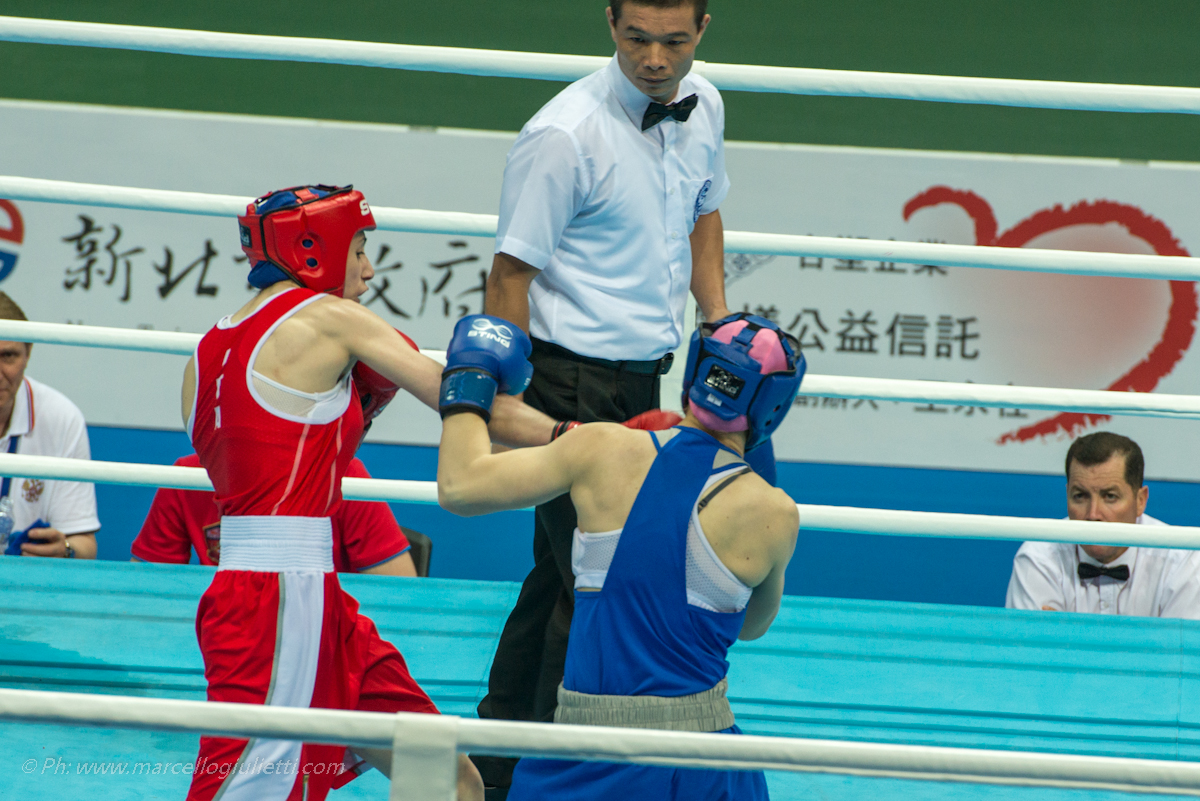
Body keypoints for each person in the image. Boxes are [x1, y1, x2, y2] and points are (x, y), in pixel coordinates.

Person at [180, 185, 558, 801]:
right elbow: (466, 401)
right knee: (244, 790)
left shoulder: (207, 351)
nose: (369, 267)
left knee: (445, 772)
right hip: (280, 602)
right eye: (359, 246)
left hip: (295, 594)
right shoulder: (329, 319)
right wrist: (594, 439)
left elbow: (269, 452)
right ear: (314, 247)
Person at [476, 0, 731, 785]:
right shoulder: (563, 134)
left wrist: (718, 326)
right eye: (637, 39)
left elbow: (706, 213)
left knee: (561, 573)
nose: (655, 59)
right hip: (562, 381)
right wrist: (508, 403)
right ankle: (559, 767)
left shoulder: (706, 105)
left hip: (645, 376)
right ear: (609, 23)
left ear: (704, 30)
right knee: (596, 578)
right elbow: (510, 274)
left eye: (674, 41)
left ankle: (497, 758)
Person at [437, 312, 802, 800]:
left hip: (586, 750)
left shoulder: (601, 447)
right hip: (708, 757)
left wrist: (470, 376)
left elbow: (460, 487)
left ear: (693, 373)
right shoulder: (776, 512)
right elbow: (752, 625)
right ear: (775, 406)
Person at [1006, 432, 1200, 619]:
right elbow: (1032, 651)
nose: (1093, 514)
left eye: (1110, 496)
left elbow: (1179, 653)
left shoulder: (1183, 563)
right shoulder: (1038, 558)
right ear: (1067, 495)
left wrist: (1067, 637)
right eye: (1080, 496)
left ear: (1140, 500)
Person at [132, 453, 422, 576]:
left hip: (326, 643)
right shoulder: (188, 477)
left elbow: (401, 596)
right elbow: (142, 593)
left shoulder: (343, 474)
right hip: (224, 640)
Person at [0, 292, 98, 559]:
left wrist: (64, 550)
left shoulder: (61, 417)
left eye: (7, 356)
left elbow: (85, 546)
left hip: (23, 587)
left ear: (28, 354)